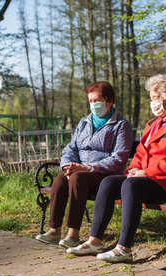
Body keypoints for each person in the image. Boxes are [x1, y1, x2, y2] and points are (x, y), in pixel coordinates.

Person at [67, 74, 166, 262]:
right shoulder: (152, 124)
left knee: (132, 186)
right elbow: (140, 153)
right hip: (149, 178)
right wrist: (133, 169)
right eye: (152, 98)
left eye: (155, 98)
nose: (152, 102)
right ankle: (95, 240)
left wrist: (146, 172)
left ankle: (124, 248)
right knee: (109, 182)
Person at [35, 81, 133, 248]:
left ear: (109, 101)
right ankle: (54, 230)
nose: (93, 105)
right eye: (91, 101)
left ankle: (73, 233)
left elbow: (119, 157)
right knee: (60, 180)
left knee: (78, 178)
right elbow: (71, 148)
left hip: (103, 174)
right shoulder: (84, 123)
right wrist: (67, 165)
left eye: (97, 101)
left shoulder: (121, 125)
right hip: (77, 171)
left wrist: (88, 168)